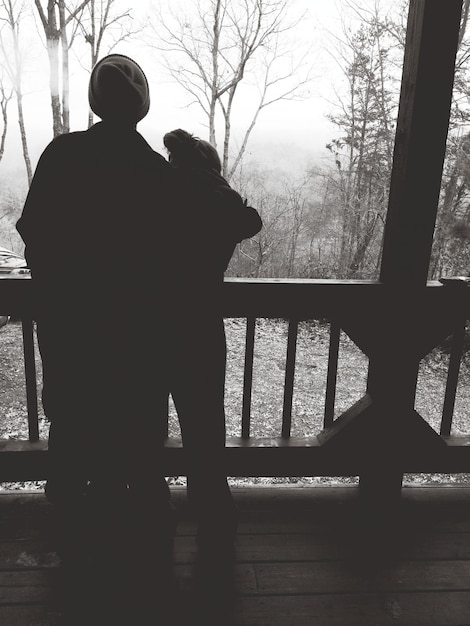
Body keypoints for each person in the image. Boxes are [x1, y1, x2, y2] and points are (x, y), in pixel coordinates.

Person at [16, 54, 179, 624]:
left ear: (92, 98)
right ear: (141, 105)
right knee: (134, 431)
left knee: (73, 422)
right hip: (137, 333)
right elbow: (171, 258)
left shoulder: (63, 156)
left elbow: (33, 232)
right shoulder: (156, 172)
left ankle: (73, 546)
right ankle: (131, 561)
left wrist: (57, 293)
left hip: (70, 325)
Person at [162, 130, 262, 566]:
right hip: (200, 325)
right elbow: (252, 221)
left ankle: (148, 511)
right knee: (205, 425)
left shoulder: (155, 189)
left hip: (146, 323)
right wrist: (218, 186)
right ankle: (214, 513)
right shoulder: (222, 202)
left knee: (142, 421)